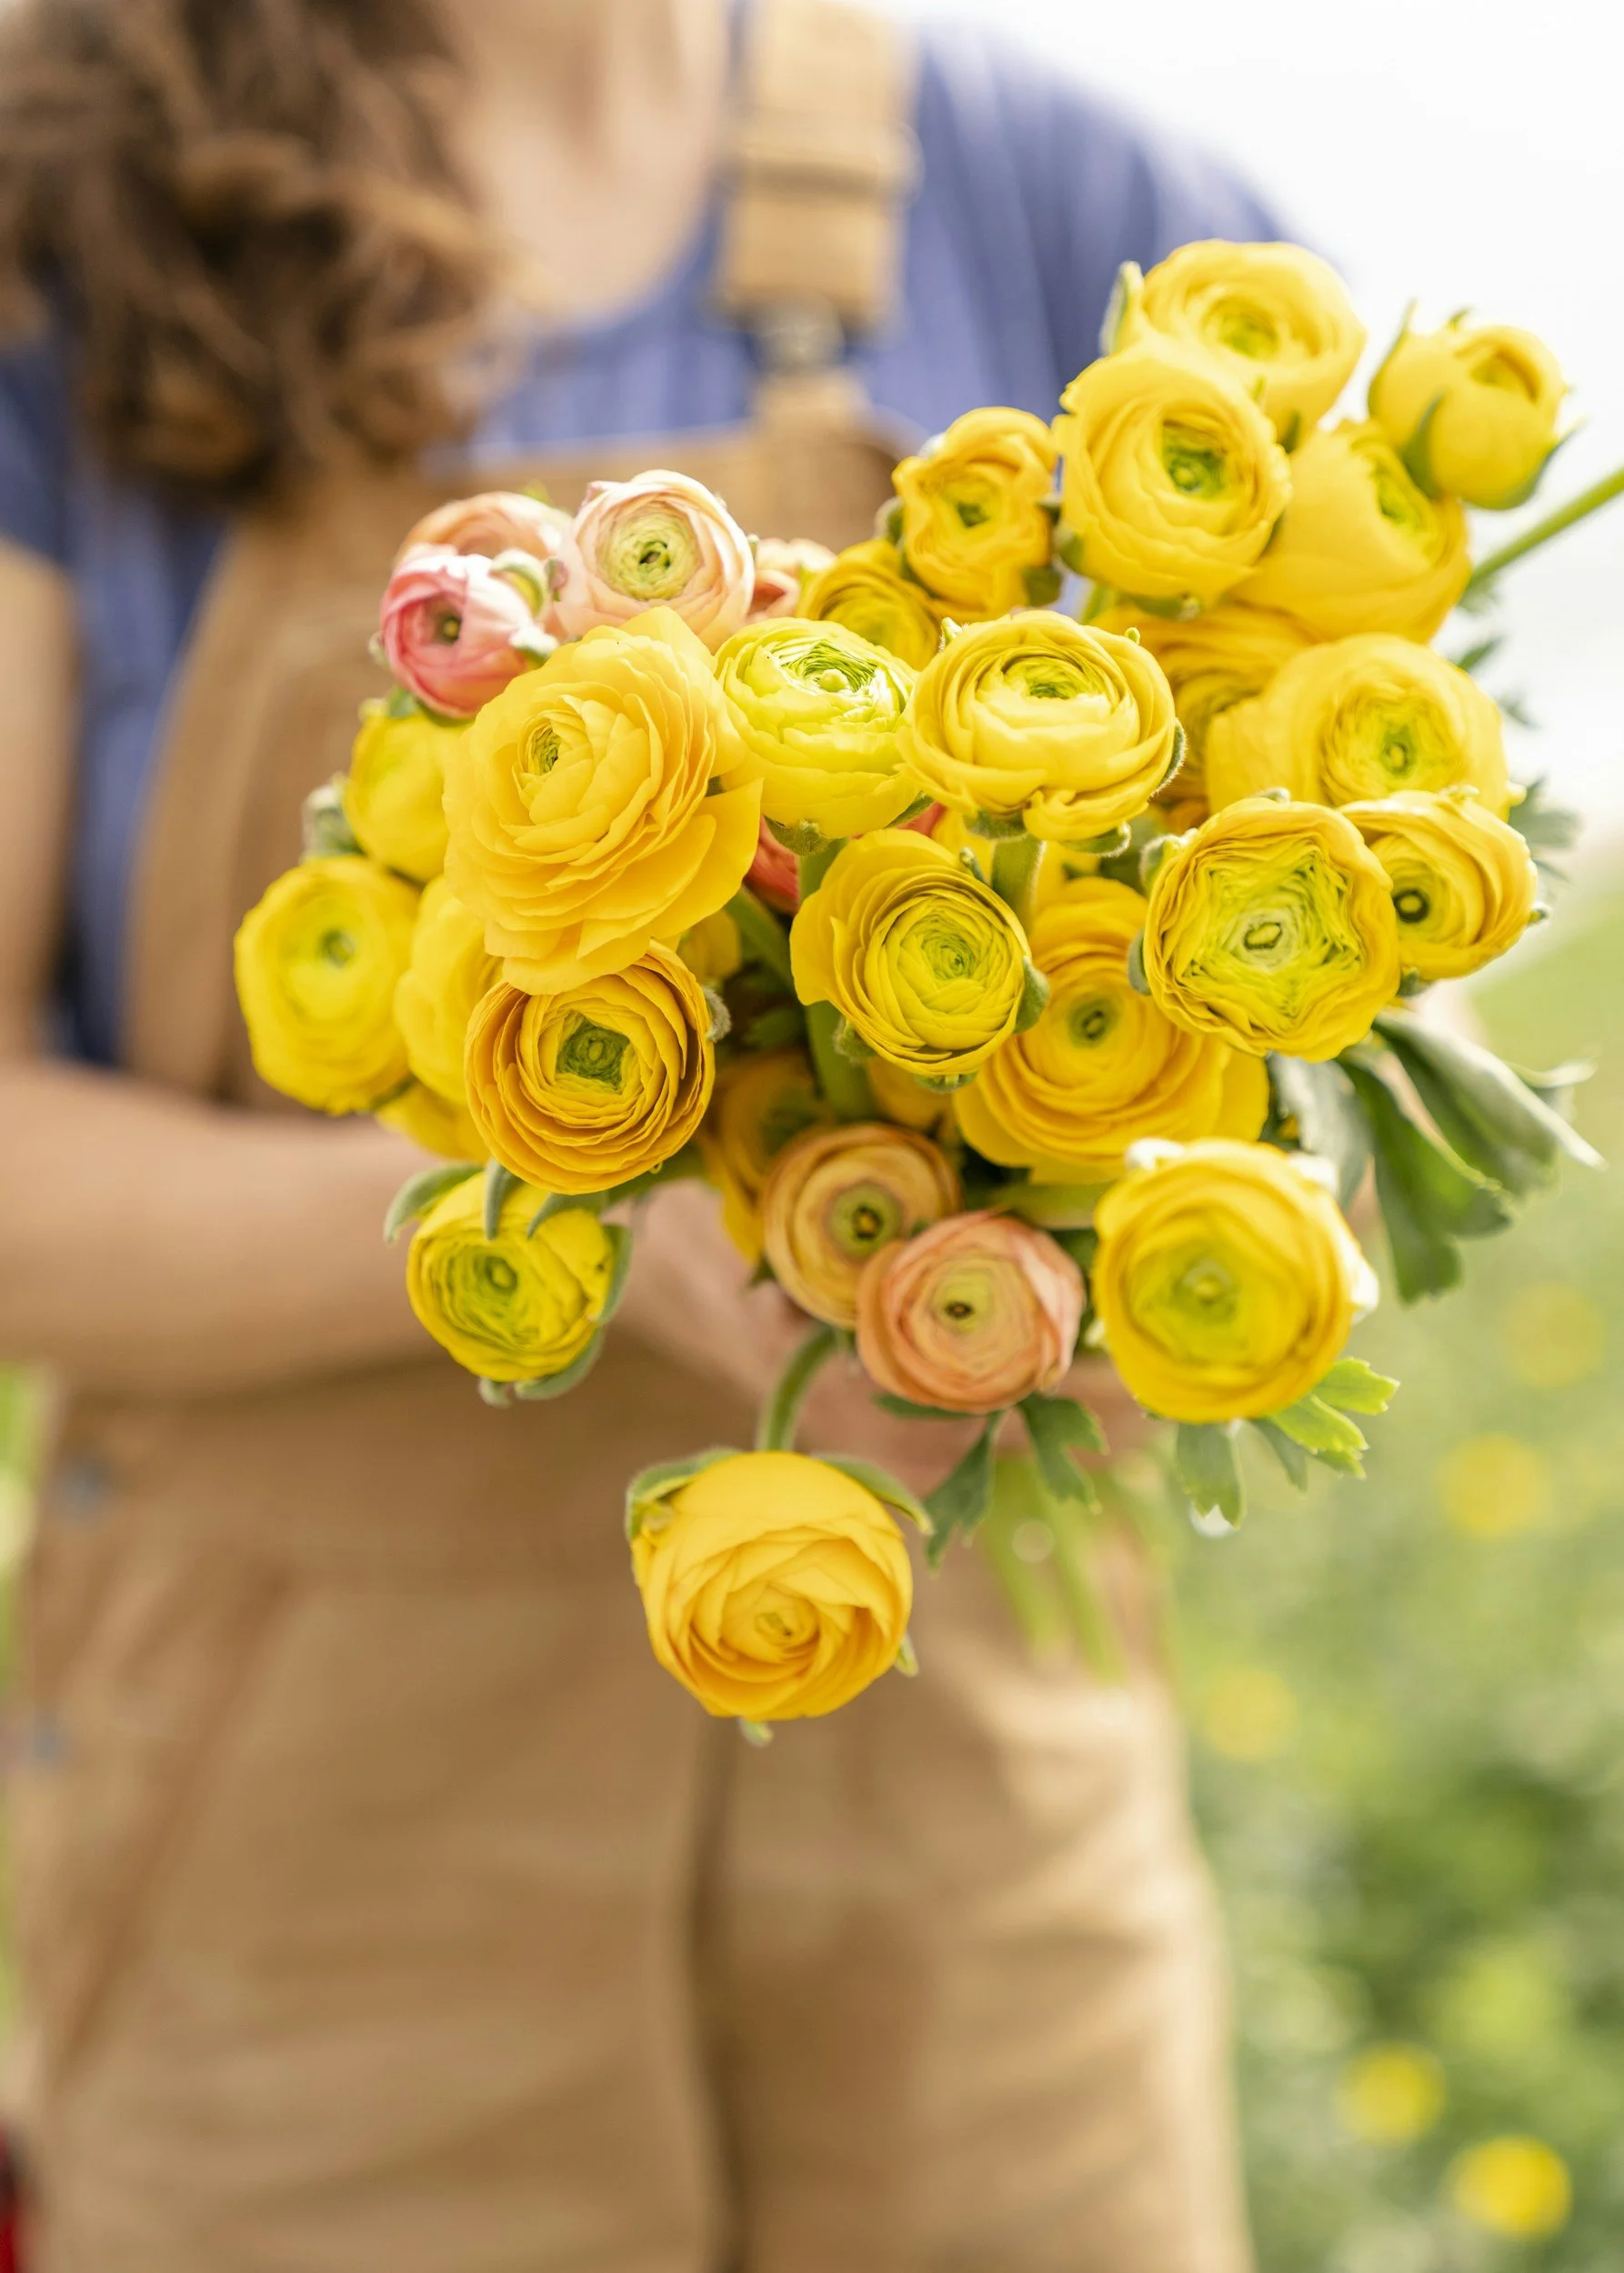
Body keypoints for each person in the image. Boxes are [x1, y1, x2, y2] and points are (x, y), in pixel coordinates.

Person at [0, 3, 1277, 2267]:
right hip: (303, 1851)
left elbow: (1352, 974)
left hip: (969, 1821)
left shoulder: (1086, 220)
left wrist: (1149, 1210)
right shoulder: (55, 227)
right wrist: (549, 1206)